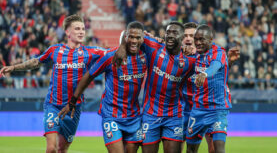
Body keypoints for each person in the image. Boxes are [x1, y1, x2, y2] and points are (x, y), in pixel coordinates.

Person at [0, 14, 106, 153]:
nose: (81, 31)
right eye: (77, 28)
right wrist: (14, 67)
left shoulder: (90, 52)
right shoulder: (55, 50)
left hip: (74, 108)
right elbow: (35, 62)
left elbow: (114, 54)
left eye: (83, 29)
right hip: (53, 105)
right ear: (67, 32)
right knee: (51, 148)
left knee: (62, 149)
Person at [59, 21, 147, 153]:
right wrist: (72, 101)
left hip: (133, 116)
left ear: (143, 38)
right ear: (125, 37)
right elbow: (89, 76)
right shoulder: (111, 56)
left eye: (137, 38)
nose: (134, 40)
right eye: (131, 37)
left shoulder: (146, 56)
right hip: (112, 115)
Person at [114, 21, 195, 153]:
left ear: (182, 37)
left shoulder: (190, 59)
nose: (169, 35)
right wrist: (122, 46)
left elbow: (208, 68)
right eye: (168, 32)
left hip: (174, 115)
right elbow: (126, 33)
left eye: (174, 33)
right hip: (151, 114)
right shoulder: (154, 46)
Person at [186, 25, 233, 153]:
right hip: (198, 109)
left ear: (211, 39)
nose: (198, 42)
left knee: (218, 148)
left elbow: (215, 66)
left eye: (202, 39)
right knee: (190, 149)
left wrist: (204, 74)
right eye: (196, 39)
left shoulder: (219, 52)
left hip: (217, 109)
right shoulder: (194, 55)